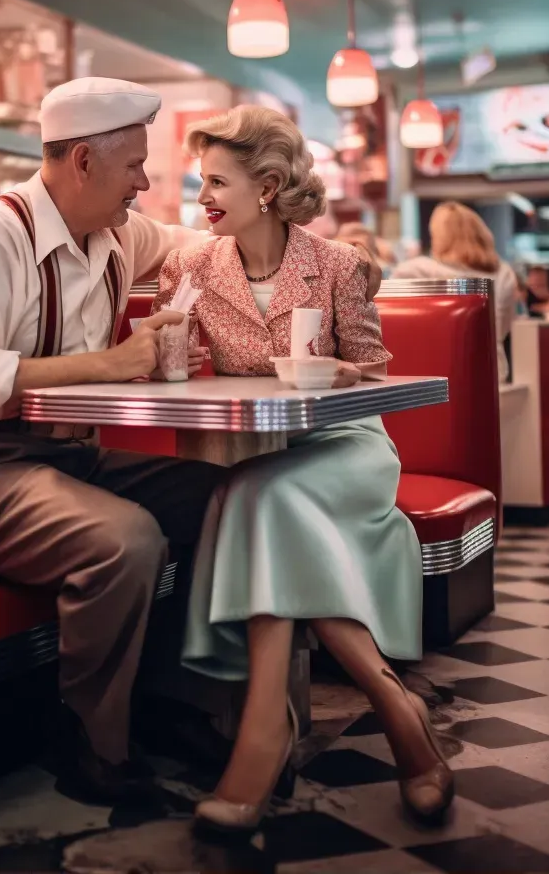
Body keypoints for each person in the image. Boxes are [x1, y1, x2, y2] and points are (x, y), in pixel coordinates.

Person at [0, 77, 224, 804]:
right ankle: (92, 745)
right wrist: (108, 365)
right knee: (126, 539)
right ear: (82, 161)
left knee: (223, 501)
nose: (145, 183)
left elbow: (201, 247)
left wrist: (317, 248)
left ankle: (172, 705)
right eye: (133, 167)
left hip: (69, 459)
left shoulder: (117, 235)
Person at [154, 105, 452, 834]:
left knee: (255, 499)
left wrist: (342, 373)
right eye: (202, 181)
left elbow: (379, 374)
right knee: (258, 495)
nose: (203, 198)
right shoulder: (191, 266)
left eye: (217, 182)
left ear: (270, 185)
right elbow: (181, 367)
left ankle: (263, 738)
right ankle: (395, 708)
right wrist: (168, 348)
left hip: (347, 450)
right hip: (262, 459)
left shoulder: (338, 264)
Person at [390, 202, 518, 383]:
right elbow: (504, 326)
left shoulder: (416, 271)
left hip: (432, 374)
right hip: (493, 369)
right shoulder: (505, 273)